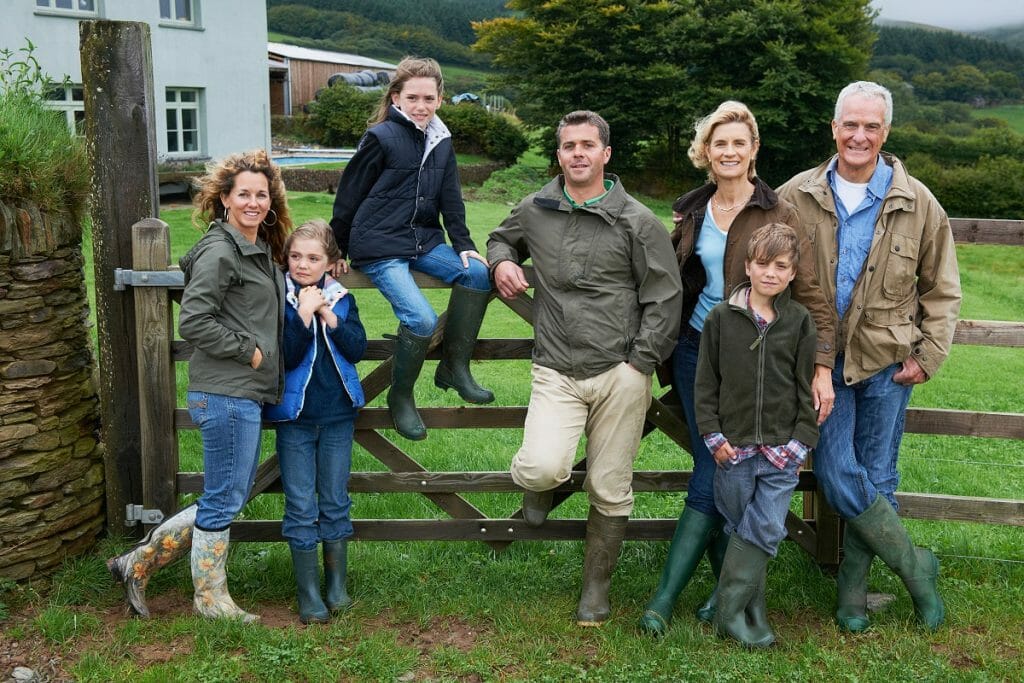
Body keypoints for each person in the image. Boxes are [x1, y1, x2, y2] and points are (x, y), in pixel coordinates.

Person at [639, 101, 835, 637]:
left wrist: (821, 367)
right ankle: (722, 597)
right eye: (719, 143)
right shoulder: (691, 210)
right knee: (718, 463)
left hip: (761, 357)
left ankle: (674, 599)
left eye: (738, 143)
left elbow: (812, 296)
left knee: (722, 474)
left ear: (753, 150)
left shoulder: (780, 213)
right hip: (696, 350)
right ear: (706, 152)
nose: (729, 152)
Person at [777, 81, 961, 632]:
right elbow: (762, 261)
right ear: (834, 128)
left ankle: (853, 593)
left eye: (871, 126)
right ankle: (916, 569)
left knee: (878, 476)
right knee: (836, 474)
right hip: (821, 366)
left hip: (888, 363)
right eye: (850, 125)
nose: (859, 136)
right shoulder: (795, 195)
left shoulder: (918, 202)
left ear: (886, 131)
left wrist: (928, 355)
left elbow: (942, 288)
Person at [487, 110, 683, 627]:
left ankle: (596, 589)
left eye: (587, 145)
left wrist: (640, 363)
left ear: (605, 154)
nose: (578, 154)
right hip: (556, 366)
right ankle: (540, 487)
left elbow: (665, 297)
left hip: (621, 371)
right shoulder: (535, 208)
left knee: (609, 485)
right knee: (540, 466)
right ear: (559, 154)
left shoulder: (637, 221)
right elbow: (500, 238)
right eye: (569, 146)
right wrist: (501, 261)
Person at [107, 149, 291, 622]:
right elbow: (193, 320)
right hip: (226, 392)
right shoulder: (220, 250)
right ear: (225, 198)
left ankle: (136, 563)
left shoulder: (253, 248)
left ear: (270, 201)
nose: (253, 202)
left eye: (261, 195)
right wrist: (249, 351)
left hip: (242, 392)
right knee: (226, 497)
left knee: (228, 494)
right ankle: (210, 599)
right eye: (243, 194)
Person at [330, 56, 492, 442]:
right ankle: (400, 395)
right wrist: (336, 248)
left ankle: (454, 367)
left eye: (429, 98)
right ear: (396, 98)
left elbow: (451, 197)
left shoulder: (441, 140)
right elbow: (349, 194)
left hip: (423, 241)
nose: (421, 106)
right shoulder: (381, 137)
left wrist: (464, 245)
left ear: (440, 99)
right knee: (420, 319)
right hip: (379, 245)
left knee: (478, 273)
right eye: (413, 98)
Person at [694, 223, 819, 648]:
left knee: (765, 527)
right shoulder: (720, 318)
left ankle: (728, 613)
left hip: (782, 451)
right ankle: (752, 610)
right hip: (734, 450)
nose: (771, 273)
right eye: (763, 264)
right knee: (739, 527)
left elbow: (805, 387)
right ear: (748, 266)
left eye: (781, 266)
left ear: (792, 273)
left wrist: (800, 442)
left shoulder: (798, 321)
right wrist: (714, 437)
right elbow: (705, 384)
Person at [263, 219, 367, 624]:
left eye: (312, 258)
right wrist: (303, 314)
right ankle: (308, 593)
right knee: (301, 504)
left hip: (338, 416)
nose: (302, 265)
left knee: (336, 500)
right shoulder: (279, 297)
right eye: (295, 256)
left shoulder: (341, 298)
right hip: (295, 420)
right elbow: (285, 354)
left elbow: (357, 348)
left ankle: (336, 587)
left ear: (330, 262)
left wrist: (327, 313)